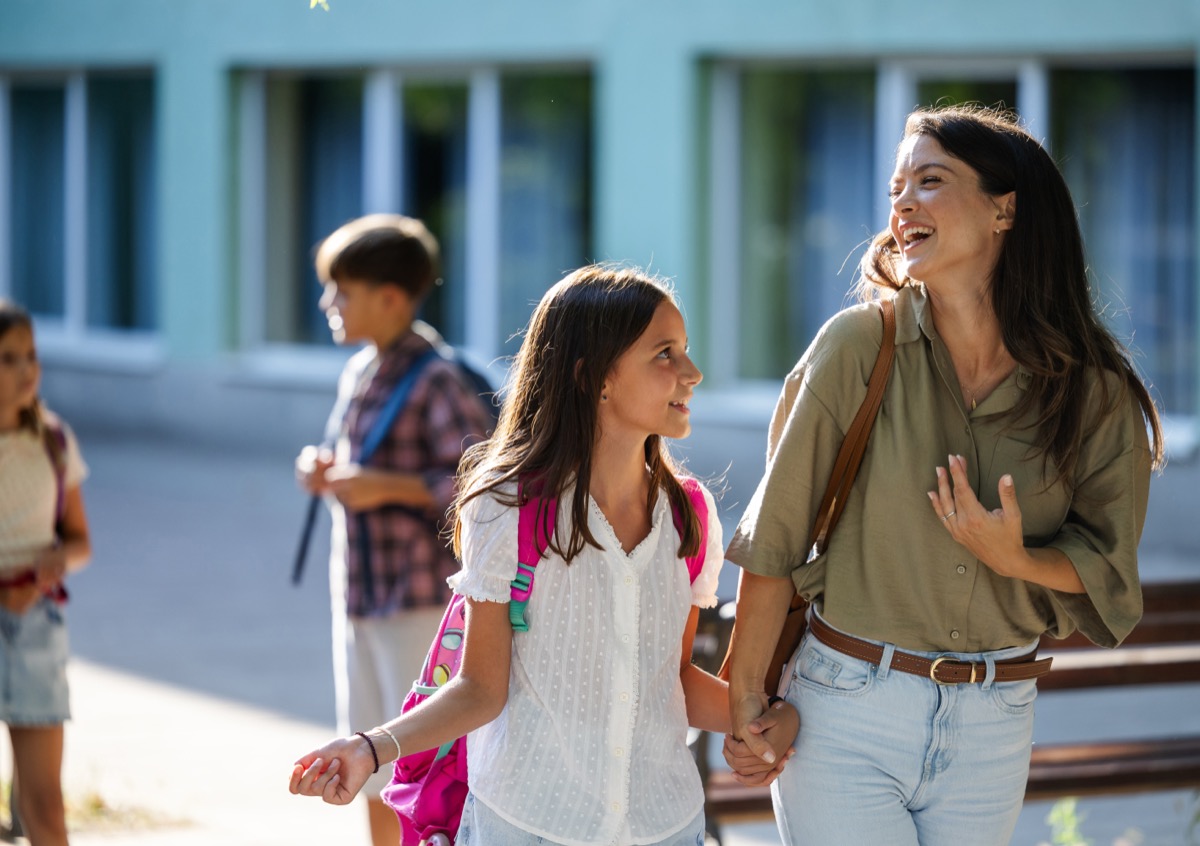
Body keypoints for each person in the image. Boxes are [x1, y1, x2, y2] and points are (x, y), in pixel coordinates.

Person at [721, 104, 1164, 846]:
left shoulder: (1093, 391)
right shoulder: (857, 347)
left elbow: (1108, 564)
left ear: (1004, 211)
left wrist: (1016, 559)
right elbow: (775, 541)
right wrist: (746, 707)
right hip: (846, 708)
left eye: (930, 181)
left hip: (996, 721)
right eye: (896, 188)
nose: (902, 204)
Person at [290, 265, 798, 844]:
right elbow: (481, 688)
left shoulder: (690, 513)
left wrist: (771, 718)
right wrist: (370, 747)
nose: (692, 372)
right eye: (664, 354)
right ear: (592, 377)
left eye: (683, 350)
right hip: (528, 823)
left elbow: (672, 679)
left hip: (666, 825)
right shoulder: (506, 507)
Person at [293, 214, 495, 846]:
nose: (328, 303)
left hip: (421, 607)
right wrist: (324, 467)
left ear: (390, 299)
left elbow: (484, 486)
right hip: (362, 598)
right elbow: (356, 456)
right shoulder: (361, 370)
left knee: (418, 765)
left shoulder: (438, 380)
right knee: (369, 763)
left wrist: (389, 487)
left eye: (342, 290)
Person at [0, 301, 92, 846]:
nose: (26, 369)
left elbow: (80, 541)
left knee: (45, 808)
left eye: (31, 355)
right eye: (7, 358)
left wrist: (56, 561)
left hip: (36, 628)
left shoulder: (53, 440)